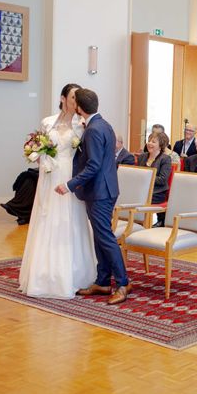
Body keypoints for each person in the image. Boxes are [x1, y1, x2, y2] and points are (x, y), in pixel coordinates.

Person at [55, 88, 131, 305]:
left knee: (106, 238)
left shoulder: (94, 130)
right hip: (103, 190)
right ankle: (103, 281)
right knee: (100, 236)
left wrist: (69, 185)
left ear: (79, 107)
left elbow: (94, 165)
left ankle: (123, 284)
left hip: (100, 192)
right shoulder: (102, 124)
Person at [20, 84, 97, 299]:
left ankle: (72, 274)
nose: (76, 101)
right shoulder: (47, 122)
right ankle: (43, 273)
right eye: (73, 97)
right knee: (46, 219)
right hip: (49, 174)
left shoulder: (82, 125)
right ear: (63, 98)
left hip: (70, 177)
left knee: (69, 220)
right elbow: (35, 146)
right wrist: (40, 157)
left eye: (78, 98)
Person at [137, 132, 173, 227]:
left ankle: (142, 222)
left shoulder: (165, 159)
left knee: (138, 198)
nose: (149, 143)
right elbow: (136, 175)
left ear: (161, 145)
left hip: (157, 193)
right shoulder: (142, 157)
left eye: (153, 142)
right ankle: (133, 222)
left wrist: (146, 177)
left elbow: (162, 179)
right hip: (141, 190)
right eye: (149, 141)